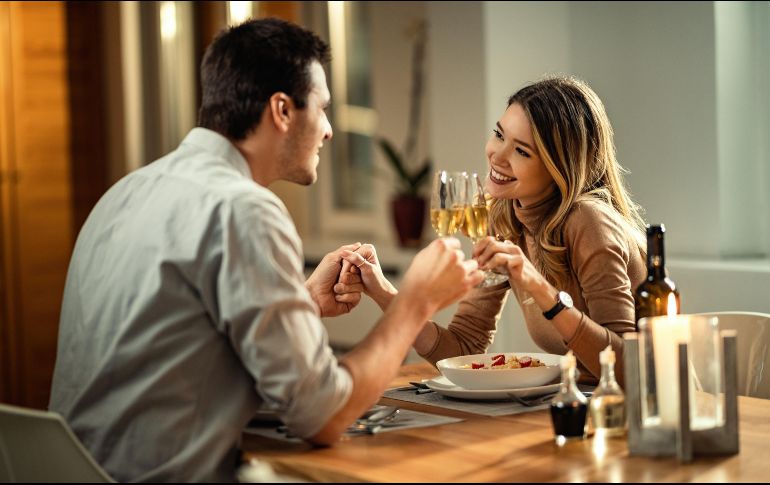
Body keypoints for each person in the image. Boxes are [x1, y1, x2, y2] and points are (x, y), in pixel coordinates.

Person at [49, 18, 482, 482]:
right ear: (282, 110)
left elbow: (172, 341)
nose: (330, 130)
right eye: (322, 108)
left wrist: (304, 302)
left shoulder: (125, 192)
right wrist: (414, 304)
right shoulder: (245, 209)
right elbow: (323, 416)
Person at [340, 76, 646, 385]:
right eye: (499, 135)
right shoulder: (502, 216)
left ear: (559, 166)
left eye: (522, 151)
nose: (497, 156)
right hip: (575, 402)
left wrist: (539, 288)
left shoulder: (588, 220)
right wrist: (383, 292)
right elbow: (463, 346)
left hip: (644, 410)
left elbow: (626, 369)